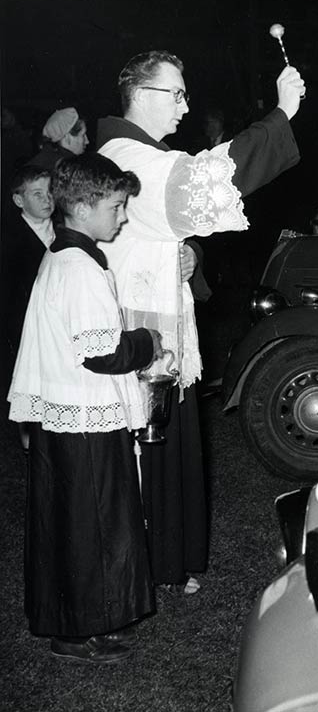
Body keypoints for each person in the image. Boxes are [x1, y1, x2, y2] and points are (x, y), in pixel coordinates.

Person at [96, 50, 304, 592]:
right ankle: (141, 566)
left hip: (163, 322)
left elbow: (165, 229)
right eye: (177, 94)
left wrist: (191, 258)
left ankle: (167, 560)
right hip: (134, 333)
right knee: (143, 446)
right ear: (142, 97)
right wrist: (280, 115)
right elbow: (205, 180)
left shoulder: (144, 153)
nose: (186, 107)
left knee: (170, 441)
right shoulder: (125, 155)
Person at [7, 153, 163, 663]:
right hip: (82, 417)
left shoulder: (67, 256)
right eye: (117, 206)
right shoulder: (77, 267)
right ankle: (75, 632)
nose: (122, 217)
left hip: (69, 415)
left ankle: (84, 623)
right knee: (90, 523)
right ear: (85, 205)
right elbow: (101, 352)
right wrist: (148, 340)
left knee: (79, 523)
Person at [0, 166, 55, 409]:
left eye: (50, 191)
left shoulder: (63, 230)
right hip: (23, 325)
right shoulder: (10, 240)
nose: (47, 199)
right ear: (19, 200)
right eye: (37, 194)